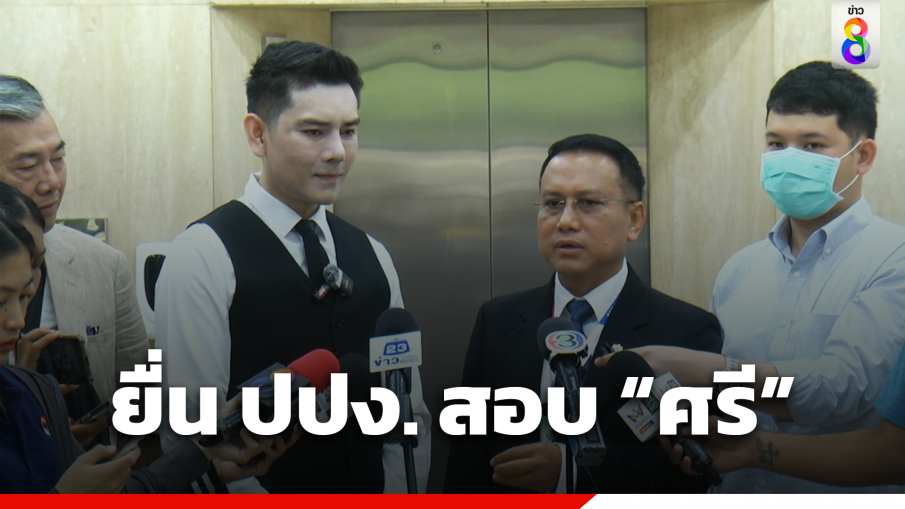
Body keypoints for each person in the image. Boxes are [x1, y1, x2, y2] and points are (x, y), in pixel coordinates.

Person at [596, 62, 905, 494]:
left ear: (863, 156)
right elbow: (728, 407)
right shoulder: (740, 269)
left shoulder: (893, 258)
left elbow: (839, 390)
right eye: (775, 143)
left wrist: (706, 369)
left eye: (812, 145)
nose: (788, 160)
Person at [155, 41, 430, 494]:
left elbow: (407, 413)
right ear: (258, 134)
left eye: (349, 131)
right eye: (314, 131)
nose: (337, 151)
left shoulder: (374, 255)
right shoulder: (201, 256)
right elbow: (191, 436)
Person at [444, 134, 724, 494]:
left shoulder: (686, 332)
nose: (565, 221)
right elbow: (467, 462)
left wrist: (570, 474)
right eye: (553, 203)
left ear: (634, 219)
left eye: (589, 203)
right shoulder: (497, 321)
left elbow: (692, 472)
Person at [0, 214, 298, 493]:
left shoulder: (36, 392)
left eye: (24, 297)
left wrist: (206, 454)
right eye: (1, 301)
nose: (17, 320)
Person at [0, 75, 149, 447]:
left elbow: (142, 397)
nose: (51, 181)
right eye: (27, 166)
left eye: (58, 159)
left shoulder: (105, 265)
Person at [661, 342, 905, 487]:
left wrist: (718, 373)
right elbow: (894, 449)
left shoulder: (892, 271)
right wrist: (746, 447)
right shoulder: (733, 277)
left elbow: (839, 389)